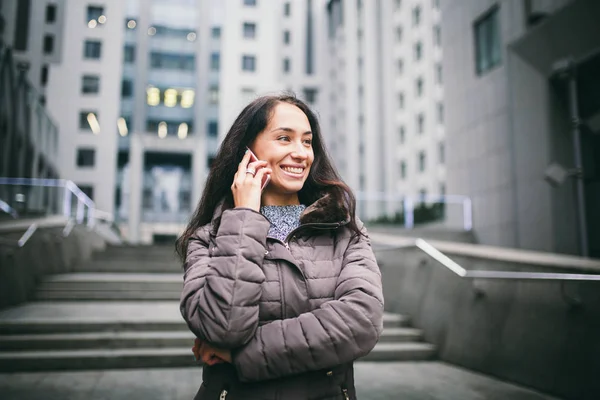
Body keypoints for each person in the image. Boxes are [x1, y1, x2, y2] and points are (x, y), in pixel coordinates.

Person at [177, 94, 384, 400]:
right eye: (284, 138)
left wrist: (240, 356)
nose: (300, 153)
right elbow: (223, 327)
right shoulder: (208, 238)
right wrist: (244, 216)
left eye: (307, 141)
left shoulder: (344, 229)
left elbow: (361, 322)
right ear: (246, 149)